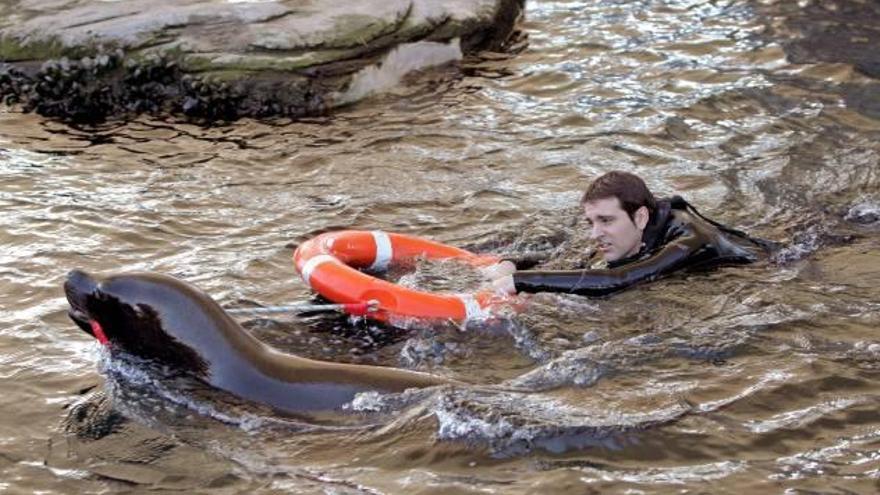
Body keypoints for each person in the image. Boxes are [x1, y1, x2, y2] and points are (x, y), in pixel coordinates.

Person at [487, 171, 772, 296]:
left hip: (770, 269)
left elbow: (620, 280)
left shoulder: (689, 241)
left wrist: (519, 282)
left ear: (641, 217)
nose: (595, 234)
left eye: (606, 221)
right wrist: (515, 262)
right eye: (591, 222)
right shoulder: (632, 229)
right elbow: (568, 260)